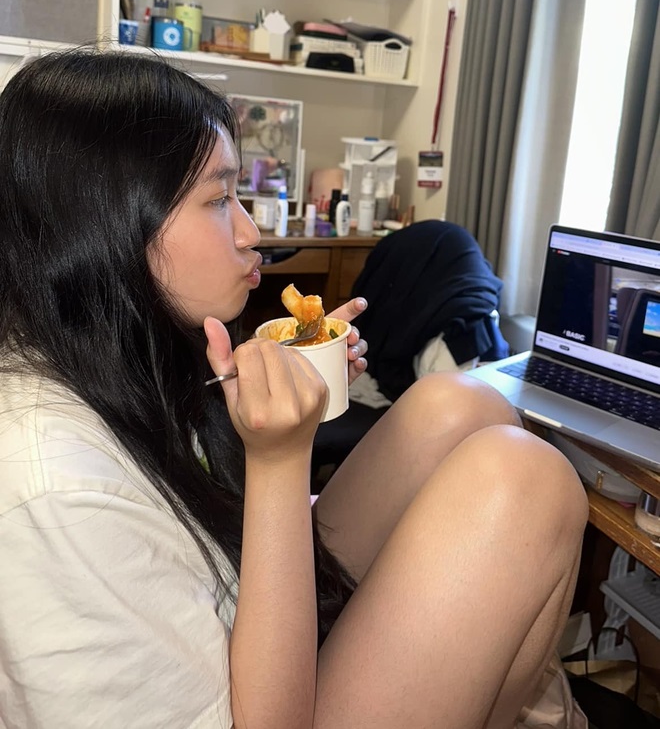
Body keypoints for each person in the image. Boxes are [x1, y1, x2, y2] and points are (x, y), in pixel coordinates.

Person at [0, 49, 588, 729]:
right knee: (527, 478)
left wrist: (282, 404)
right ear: (103, 227)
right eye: (218, 200)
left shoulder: (101, 352)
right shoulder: (56, 491)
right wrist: (278, 459)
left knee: (462, 403)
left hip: (236, 597)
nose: (252, 232)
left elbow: (195, 520)